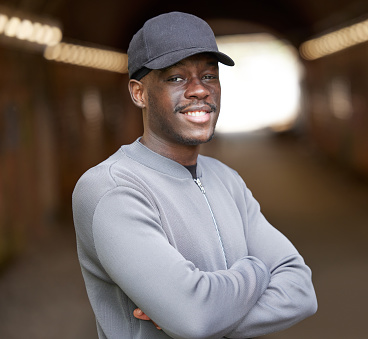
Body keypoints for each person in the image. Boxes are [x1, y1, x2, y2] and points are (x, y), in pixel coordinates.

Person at [72, 11, 317, 339]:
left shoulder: (226, 178)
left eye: (209, 76)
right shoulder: (111, 189)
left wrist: (204, 312)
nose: (199, 90)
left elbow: (300, 291)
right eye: (176, 78)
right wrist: (259, 270)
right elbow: (194, 317)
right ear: (138, 93)